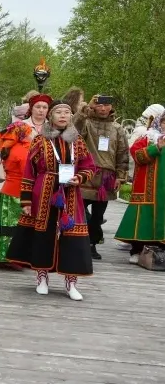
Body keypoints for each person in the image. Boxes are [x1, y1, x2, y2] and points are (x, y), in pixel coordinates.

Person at [6, 102, 96, 300]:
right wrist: (26, 201)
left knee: (72, 236)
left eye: (67, 112)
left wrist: (79, 178)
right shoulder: (40, 140)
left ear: (71, 116)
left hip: (71, 193)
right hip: (44, 192)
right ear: (51, 117)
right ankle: (42, 278)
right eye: (58, 112)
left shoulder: (78, 141)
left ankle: (71, 283)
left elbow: (89, 167)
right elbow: (29, 172)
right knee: (43, 236)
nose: (63, 116)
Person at [0, 96, 49, 269]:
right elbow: (4, 149)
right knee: (10, 220)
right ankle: (4, 256)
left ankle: (26, 256)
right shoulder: (20, 127)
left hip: (39, 184)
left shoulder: (51, 129)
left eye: (45, 107)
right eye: (38, 106)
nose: (41, 110)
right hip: (15, 182)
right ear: (31, 108)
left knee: (31, 221)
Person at [75, 94, 129, 259]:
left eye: (107, 106)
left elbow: (122, 153)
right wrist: (85, 109)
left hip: (106, 177)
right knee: (79, 210)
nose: (103, 109)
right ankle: (78, 241)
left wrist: (121, 176)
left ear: (111, 107)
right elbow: (73, 130)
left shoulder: (117, 128)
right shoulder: (87, 124)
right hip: (86, 173)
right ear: (94, 106)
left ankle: (91, 244)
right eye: (99, 105)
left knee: (98, 215)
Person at [116, 111, 165, 263]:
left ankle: (159, 254)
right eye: (164, 121)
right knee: (144, 220)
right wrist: (156, 147)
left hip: (162, 191)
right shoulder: (148, 137)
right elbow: (137, 156)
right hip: (147, 189)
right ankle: (136, 251)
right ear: (159, 122)